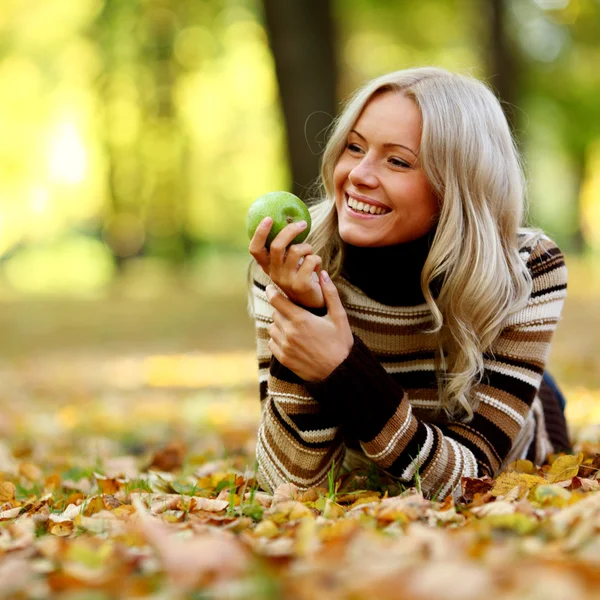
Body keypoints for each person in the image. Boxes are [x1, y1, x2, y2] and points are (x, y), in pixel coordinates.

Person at [247, 66, 569, 500]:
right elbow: (288, 486)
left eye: (397, 160)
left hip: (512, 431)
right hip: (395, 449)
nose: (359, 174)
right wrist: (304, 312)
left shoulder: (525, 267)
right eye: (354, 147)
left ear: (457, 183)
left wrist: (343, 368)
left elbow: (471, 484)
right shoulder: (297, 257)